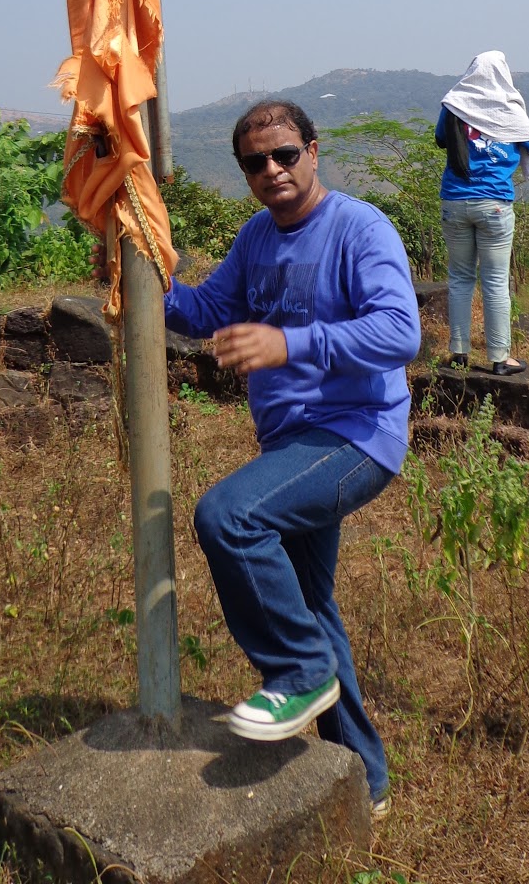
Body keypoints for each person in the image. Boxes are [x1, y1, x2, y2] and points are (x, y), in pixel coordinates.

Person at [164, 98, 421, 816]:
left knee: (229, 517)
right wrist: (148, 283)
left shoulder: (359, 228)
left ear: (313, 150)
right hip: (293, 446)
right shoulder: (256, 238)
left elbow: (400, 333)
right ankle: (364, 780)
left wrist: (289, 344)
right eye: (255, 162)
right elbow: (206, 311)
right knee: (309, 605)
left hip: (354, 436)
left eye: (284, 154)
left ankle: (299, 669)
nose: (272, 171)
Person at [434, 51, 529, 374]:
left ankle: (459, 354)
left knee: (459, 278)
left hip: (455, 201)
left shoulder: (454, 105)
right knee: (495, 282)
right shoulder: (510, 109)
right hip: (494, 204)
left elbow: (441, 140)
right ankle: (499, 359)